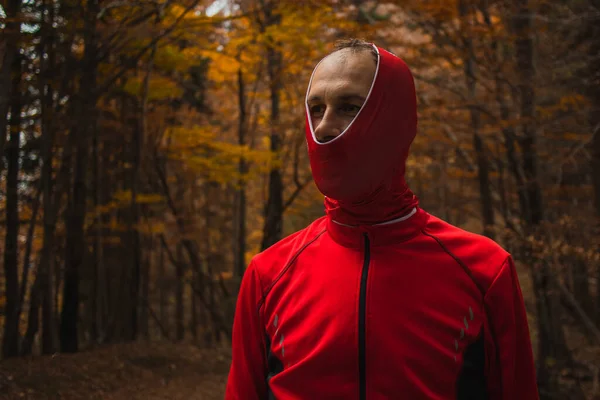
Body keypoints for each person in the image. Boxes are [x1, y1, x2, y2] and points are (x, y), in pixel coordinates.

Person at [225, 39, 539, 400]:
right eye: (315, 108)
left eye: (348, 107)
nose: (324, 127)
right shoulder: (268, 274)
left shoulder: (484, 270)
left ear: (396, 121)